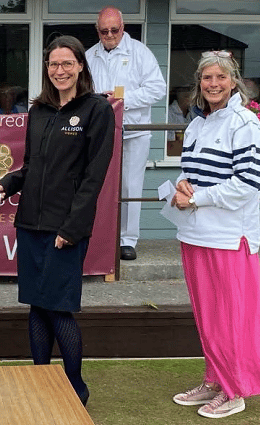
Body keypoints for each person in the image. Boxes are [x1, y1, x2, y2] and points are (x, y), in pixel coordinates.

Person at [0, 35, 115, 406]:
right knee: (36, 307)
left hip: (65, 230)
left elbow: (95, 177)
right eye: (53, 64)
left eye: (66, 63)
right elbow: (31, 167)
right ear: (47, 69)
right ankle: (41, 384)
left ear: (80, 66)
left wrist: (72, 228)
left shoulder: (96, 110)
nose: (59, 70)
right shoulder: (39, 111)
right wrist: (5, 184)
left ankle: (76, 390)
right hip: (29, 224)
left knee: (59, 309)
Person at [170, 50, 260, 419]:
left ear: (234, 81)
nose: (213, 84)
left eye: (220, 77)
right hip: (196, 233)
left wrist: (197, 197)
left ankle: (235, 390)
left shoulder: (245, 123)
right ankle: (215, 380)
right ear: (199, 83)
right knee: (209, 317)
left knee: (231, 318)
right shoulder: (198, 123)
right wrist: (185, 185)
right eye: (206, 78)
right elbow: (194, 171)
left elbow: (248, 182)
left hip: (230, 237)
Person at [86, 7, 165, 261]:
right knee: (97, 183)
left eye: (114, 30)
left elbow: (157, 89)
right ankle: (98, 235)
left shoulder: (140, 52)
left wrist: (122, 100)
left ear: (123, 27)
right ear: (97, 30)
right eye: (103, 30)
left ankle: (127, 240)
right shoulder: (88, 55)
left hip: (133, 131)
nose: (109, 35)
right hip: (98, 133)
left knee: (130, 185)